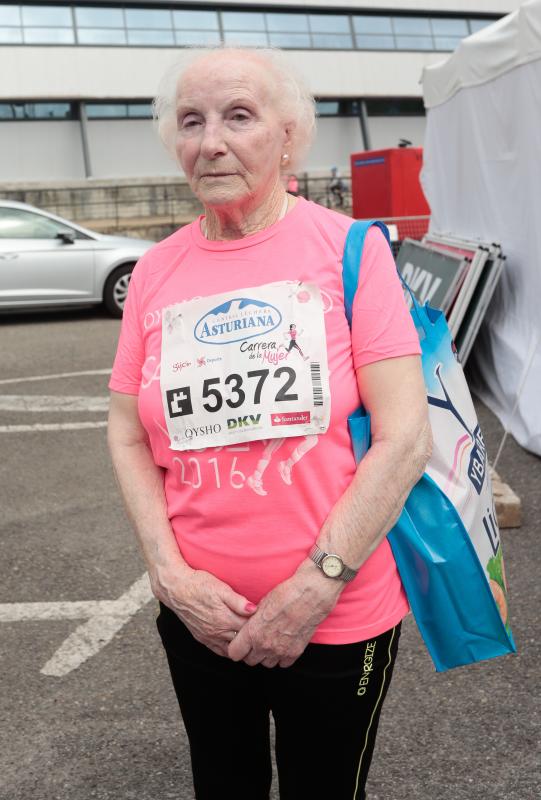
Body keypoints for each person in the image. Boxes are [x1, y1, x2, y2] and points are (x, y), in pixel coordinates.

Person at [107, 46, 431, 800]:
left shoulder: (349, 248)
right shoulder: (155, 272)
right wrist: (168, 574)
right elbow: (126, 431)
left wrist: (317, 584)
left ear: (289, 135)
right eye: (191, 121)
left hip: (334, 613)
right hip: (199, 617)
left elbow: (404, 436)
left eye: (238, 116)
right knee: (224, 785)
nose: (210, 140)